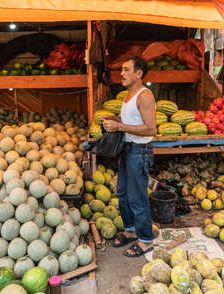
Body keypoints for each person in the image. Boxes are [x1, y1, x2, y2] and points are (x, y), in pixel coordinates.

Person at [102, 56, 156, 257]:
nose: (121, 74)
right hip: (127, 150)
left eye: (126, 70)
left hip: (139, 151)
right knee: (123, 193)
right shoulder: (128, 95)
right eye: (121, 70)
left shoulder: (145, 95)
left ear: (139, 73)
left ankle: (145, 241)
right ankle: (130, 230)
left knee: (138, 197)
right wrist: (114, 119)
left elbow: (151, 129)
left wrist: (120, 126)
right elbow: (131, 121)